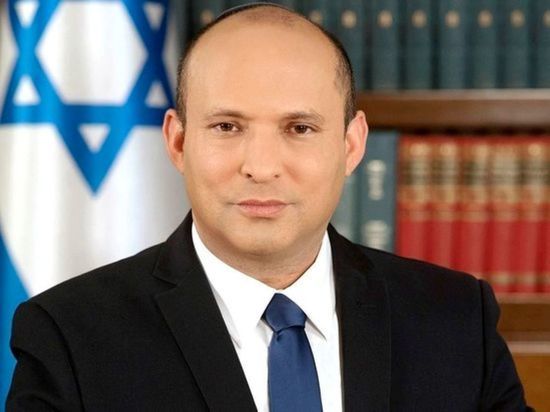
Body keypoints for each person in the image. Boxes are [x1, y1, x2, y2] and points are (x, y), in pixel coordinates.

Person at [7, 3, 531, 411]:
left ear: (351, 145)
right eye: (227, 126)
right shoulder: (69, 336)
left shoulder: (455, 320)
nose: (261, 167)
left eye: (299, 128)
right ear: (178, 142)